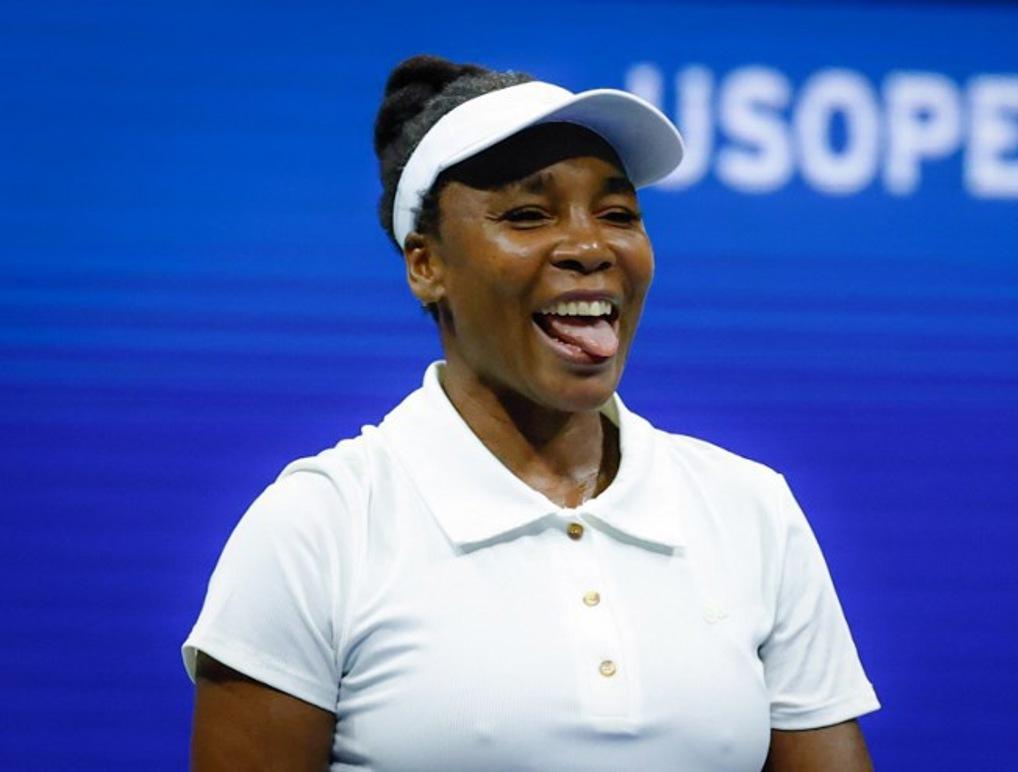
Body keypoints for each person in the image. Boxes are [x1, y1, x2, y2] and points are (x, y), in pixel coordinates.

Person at [183, 54, 881, 771]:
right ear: (426, 265)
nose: (589, 246)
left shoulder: (749, 510)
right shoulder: (321, 527)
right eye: (527, 215)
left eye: (618, 215)